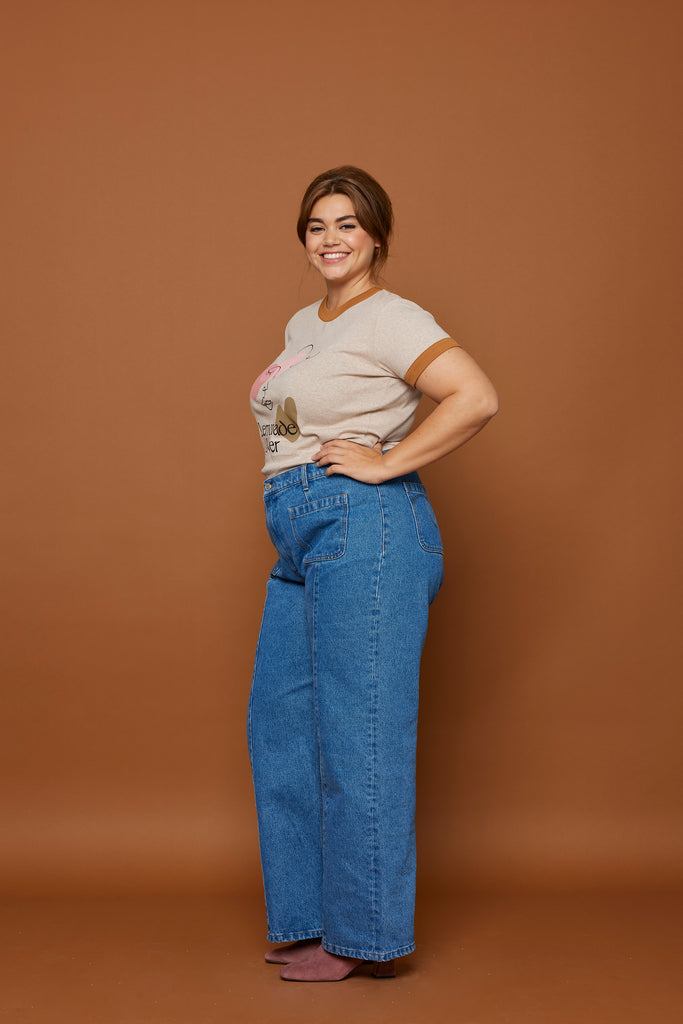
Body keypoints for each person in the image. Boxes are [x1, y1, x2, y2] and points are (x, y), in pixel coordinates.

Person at [247, 166, 498, 982]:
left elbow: (474, 396)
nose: (330, 239)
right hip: (299, 530)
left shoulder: (392, 317)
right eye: (317, 225)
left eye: (347, 224)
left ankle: (363, 938)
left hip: (365, 527)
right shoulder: (303, 323)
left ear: (377, 236)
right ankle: (309, 917)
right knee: (281, 727)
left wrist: (386, 463)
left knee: (360, 732)